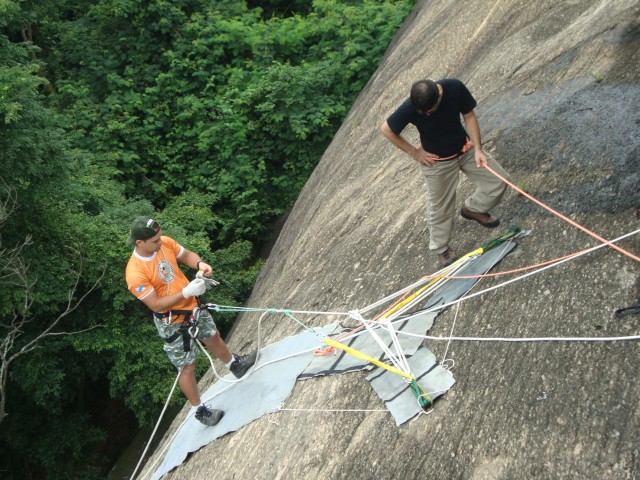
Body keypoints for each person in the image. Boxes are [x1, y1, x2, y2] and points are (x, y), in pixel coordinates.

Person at [125, 216, 256, 427]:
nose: (160, 243)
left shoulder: (164, 243)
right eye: (155, 241)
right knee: (187, 366)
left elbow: (185, 255)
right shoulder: (135, 273)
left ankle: (235, 365)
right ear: (140, 242)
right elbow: (156, 304)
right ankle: (200, 411)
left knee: (212, 336)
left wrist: (199, 263)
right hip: (172, 322)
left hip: (192, 307)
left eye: (160, 238)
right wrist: (186, 292)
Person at [381, 78, 511, 266]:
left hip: (465, 149)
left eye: (430, 111)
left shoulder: (454, 87)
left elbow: (469, 116)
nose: (426, 115)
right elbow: (387, 130)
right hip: (437, 162)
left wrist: (478, 149)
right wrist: (415, 153)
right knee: (440, 206)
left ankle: (473, 209)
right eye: (422, 113)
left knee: (498, 180)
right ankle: (442, 249)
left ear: (440, 95)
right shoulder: (412, 105)